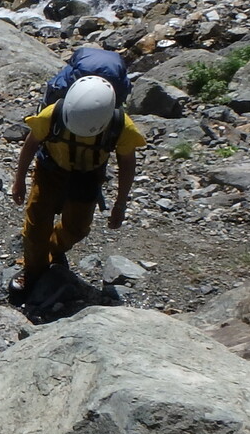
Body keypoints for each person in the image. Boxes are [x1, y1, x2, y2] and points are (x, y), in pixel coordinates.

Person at [8, 75, 147, 297]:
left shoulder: (122, 127)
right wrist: (19, 180)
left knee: (77, 228)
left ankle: (52, 250)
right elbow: (31, 143)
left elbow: (127, 163)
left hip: (88, 175)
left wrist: (120, 204)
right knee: (36, 225)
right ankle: (33, 271)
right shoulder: (52, 114)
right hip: (50, 169)